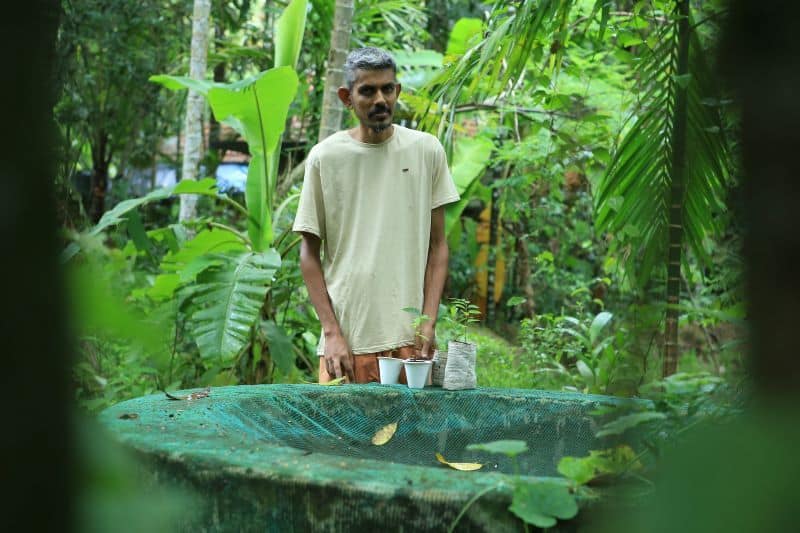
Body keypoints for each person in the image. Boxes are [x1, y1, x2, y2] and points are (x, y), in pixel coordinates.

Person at [293, 47, 461, 384]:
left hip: (410, 344)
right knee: (340, 437)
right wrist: (331, 333)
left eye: (387, 89)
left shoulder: (426, 150)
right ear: (347, 98)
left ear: (397, 91)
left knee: (411, 438)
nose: (380, 99)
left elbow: (438, 247)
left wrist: (427, 322)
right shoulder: (325, 158)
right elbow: (308, 254)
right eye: (367, 91)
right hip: (345, 346)